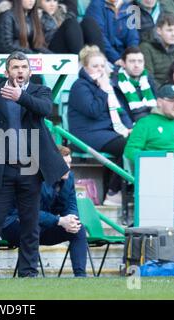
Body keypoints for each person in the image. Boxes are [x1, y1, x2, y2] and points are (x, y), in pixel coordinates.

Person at [0, 51, 69, 277]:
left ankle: (28, 273)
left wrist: (20, 97)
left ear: (30, 71)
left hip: (31, 168)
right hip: (2, 168)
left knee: (30, 223)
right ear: (7, 72)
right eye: (15, 67)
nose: (19, 71)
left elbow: (45, 109)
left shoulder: (39, 91)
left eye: (23, 67)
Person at [2, 145, 87, 277]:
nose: (68, 168)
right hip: (14, 225)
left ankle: (81, 277)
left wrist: (71, 219)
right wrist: (59, 220)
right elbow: (29, 212)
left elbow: (71, 204)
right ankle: (29, 274)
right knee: (32, 226)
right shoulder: (34, 178)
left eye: (70, 163)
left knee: (79, 229)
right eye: (65, 164)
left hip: (44, 225)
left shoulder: (68, 178)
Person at [68, 45, 133, 206]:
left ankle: (121, 190)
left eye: (102, 65)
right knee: (128, 146)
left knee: (135, 141)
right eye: (95, 66)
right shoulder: (80, 86)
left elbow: (121, 111)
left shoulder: (106, 85)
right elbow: (94, 111)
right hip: (87, 134)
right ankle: (113, 192)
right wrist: (103, 90)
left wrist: (129, 128)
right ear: (85, 67)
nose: (100, 69)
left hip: (106, 132)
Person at [124, 84, 174, 162]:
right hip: (156, 171)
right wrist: (154, 162)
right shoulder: (145, 123)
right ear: (159, 102)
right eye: (172, 101)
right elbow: (130, 151)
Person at [85, 0, 140, 66]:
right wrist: (116, 59)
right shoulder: (96, 5)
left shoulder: (129, 6)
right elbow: (99, 37)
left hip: (124, 56)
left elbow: (133, 37)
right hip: (104, 56)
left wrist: (131, 57)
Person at [140, 13, 174, 88]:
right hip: (157, 92)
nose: (173, 34)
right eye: (169, 30)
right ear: (159, 31)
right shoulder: (146, 48)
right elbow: (148, 77)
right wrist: (164, 92)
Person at [39, 0, 104, 54]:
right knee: (70, 22)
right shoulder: (36, 16)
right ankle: (80, 61)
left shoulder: (62, 12)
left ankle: (100, 60)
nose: (52, 4)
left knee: (89, 22)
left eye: (55, 0)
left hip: (69, 44)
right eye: (48, 1)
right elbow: (36, 44)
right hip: (51, 49)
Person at [113, 46, 157, 123]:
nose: (136, 65)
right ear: (123, 63)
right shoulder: (116, 83)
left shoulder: (149, 79)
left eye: (140, 61)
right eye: (132, 61)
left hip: (154, 122)